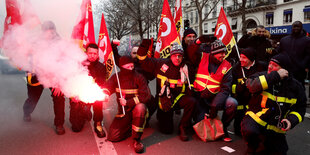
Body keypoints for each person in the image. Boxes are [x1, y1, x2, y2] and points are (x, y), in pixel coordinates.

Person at [242, 54, 307, 154]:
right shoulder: (262, 76)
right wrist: (275, 76)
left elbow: (300, 108)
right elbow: (251, 86)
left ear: (285, 70)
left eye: (275, 65)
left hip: (276, 128)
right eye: (270, 63)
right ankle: (253, 146)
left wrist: (290, 121)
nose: (270, 67)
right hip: (256, 120)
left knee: (280, 151)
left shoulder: (295, 87)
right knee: (251, 134)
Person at [137, 40, 197, 141]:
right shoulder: (161, 64)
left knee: (192, 102)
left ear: (183, 56)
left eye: (179, 56)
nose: (177, 58)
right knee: (167, 130)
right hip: (164, 100)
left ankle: (183, 127)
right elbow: (143, 61)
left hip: (178, 98)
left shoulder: (187, 67)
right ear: (170, 55)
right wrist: (144, 45)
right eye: (174, 55)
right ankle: (160, 115)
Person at [187, 39, 238, 142]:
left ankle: (224, 127)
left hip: (215, 98)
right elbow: (190, 52)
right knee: (200, 125)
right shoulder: (203, 57)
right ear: (214, 53)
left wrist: (214, 107)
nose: (223, 55)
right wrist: (198, 41)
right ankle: (195, 117)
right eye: (221, 53)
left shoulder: (227, 66)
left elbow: (225, 89)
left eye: (224, 52)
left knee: (232, 103)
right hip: (200, 97)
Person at [22, 21, 66, 135]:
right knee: (32, 98)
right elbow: (26, 59)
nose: (49, 34)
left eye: (52, 31)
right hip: (36, 74)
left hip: (53, 74)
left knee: (59, 96)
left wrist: (59, 83)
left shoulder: (59, 43)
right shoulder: (34, 43)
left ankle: (59, 124)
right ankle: (26, 112)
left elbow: (64, 63)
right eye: (47, 31)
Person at [103, 56, 151, 153]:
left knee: (141, 107)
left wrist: (128, 102)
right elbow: (107, 87)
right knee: (113, 136)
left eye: (132, 66)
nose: (131, 69)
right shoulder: (116, 77)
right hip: (123, 112)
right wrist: (105, 93)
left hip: (137, 110)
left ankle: (136, 140)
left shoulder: (139, 77)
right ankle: (130, 126)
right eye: (128, 67)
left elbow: (145, 96)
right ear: (122, 67)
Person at [112, 41, 156, 127]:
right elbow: (116, 57)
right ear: (131, 54)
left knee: (153, 102)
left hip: (141, 92)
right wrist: (113, 45)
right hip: (128, 93)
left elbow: (153, 74)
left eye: (138, 53)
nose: (136, 55)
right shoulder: (125, 62)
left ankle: (145, 117)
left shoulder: (146, 65)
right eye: (134, 53)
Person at [69, 43, 106, 138]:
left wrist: (103, 94)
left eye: (95, 53)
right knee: (76, 128)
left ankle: (98, 123)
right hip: (79, 94)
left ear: (97, 55)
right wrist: (74, 95)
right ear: (86, 53)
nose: (92, 55)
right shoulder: (79, 65)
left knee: (99, 101)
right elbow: (71, 81)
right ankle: (85, 112)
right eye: (90, 53)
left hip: (93, 94)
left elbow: (101, 85)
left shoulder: (101, 67)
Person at [231, 47, 267, 136]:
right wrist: (240, 86)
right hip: (241, 99)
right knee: (239, 130)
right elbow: (232, 87)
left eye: (244, 58)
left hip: (258, 99)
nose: (241, 60)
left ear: (251, 59)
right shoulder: (236, 68)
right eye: (240, 57)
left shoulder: (261, 66)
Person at [278, 21, 310, 86]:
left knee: (298, 89)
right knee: (284, 88)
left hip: (299, 72)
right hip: (285, 70)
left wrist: (303, 65)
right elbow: (279, 52)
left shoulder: (307, 40)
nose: (296, 28)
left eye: (298, 26)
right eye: (294, 26)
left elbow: (308, 54)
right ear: (291, 27)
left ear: (301, 28)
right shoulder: (284, 40)